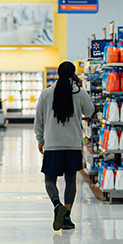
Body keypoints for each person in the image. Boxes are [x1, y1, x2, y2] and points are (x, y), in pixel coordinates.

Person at [34, 61, 94, 230]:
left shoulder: (46, 93)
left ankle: (56, 205)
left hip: (52, 143)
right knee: (70, 180)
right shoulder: (79, 92)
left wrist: (40, 139)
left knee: (49, 180)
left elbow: (38, 120)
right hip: (73, 144)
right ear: (74, 74)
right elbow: (89, 112)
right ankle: (66, 217)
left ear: (58, 73)